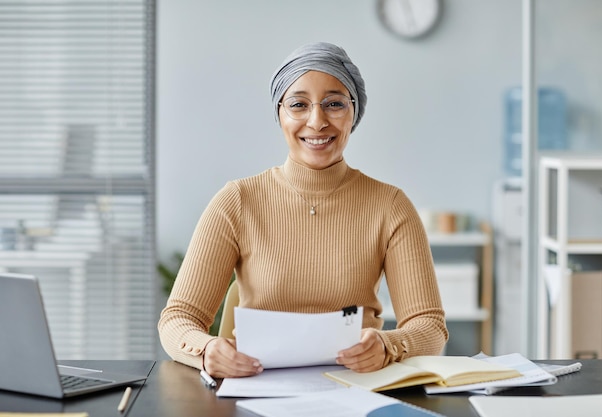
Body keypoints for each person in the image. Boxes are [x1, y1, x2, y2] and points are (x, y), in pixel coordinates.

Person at [158, 41, 448, 378]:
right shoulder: (236, 201)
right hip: (255, 389)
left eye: (334, 104)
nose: (317, 121)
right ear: (279, 113)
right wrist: (206, 350)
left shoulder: (391, 206)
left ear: (354, 112)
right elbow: (178, 318)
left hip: (358, 391)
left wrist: (389, 344)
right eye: (298, 104)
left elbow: (430, 326)